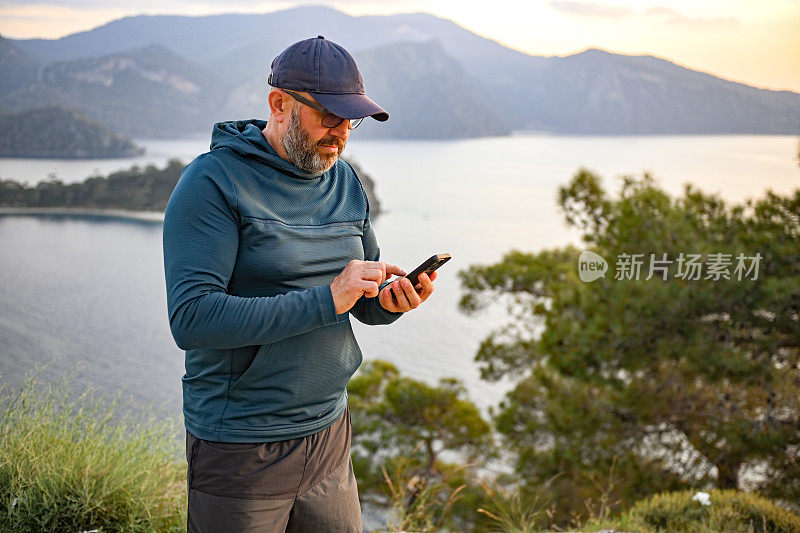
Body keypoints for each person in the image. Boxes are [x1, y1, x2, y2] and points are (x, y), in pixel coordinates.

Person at [162, 35, 437, 532]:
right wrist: (328, 297)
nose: (340, 134)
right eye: (328, 117)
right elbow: (193, 319)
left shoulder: (345, 182)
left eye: (350, 120)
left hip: (329, 431)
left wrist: (394, 301)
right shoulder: (212, 182)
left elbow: (362, 303)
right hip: (242, 444)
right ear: (279, 104)